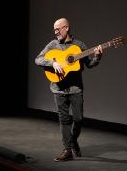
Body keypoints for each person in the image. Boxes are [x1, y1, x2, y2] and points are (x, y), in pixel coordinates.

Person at [35, 18, 103, 162]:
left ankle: (72, 141)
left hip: (75, 88)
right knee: (64, 119)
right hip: (58, 89)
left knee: (78, 119)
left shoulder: (79, 45)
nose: (55, 32)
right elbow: (38, 59)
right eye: (54, 30)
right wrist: (53, 63)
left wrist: (97, 57)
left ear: (66, 28)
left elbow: (89, 64)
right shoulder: (53, 44)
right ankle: (67, 150)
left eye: (58, 29)